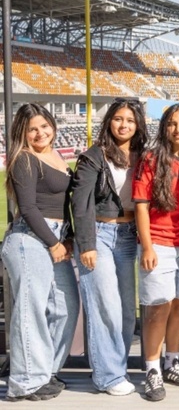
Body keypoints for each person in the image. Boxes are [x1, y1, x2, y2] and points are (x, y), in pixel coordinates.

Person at [1, 104, 79, 401]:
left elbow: (66, 204)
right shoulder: (24, 159)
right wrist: (53, 242)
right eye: (32, 129)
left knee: (66, 306)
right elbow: (29, 207)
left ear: (53, 126)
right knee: (30, 310)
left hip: (55, 236)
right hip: (30, 239)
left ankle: (45, 372)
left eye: (44, 126)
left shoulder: (57, 155)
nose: (40, 133)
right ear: (23, 132)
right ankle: (24, 382)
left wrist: (67, 237)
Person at [72, 98, 148, 396]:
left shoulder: (142, 156)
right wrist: (87, 243)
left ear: (138, 124)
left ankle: (117, 367)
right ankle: (107, 376)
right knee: (107, 308)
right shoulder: (94, 157)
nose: (124, 124)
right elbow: (80, 204)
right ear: (109, 122)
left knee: (127, 310)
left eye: (130, 119)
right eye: (118, 118)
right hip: (99, 235)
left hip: (128, 235)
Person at [133, 104, 179, 401]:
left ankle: (172, 361)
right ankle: (152, 369)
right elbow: (141, 204)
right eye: (173, 123)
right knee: (157, 308)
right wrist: (147, 245)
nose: (178, 129)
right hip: (159, 245)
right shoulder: (151, 159)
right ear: (165, 127)